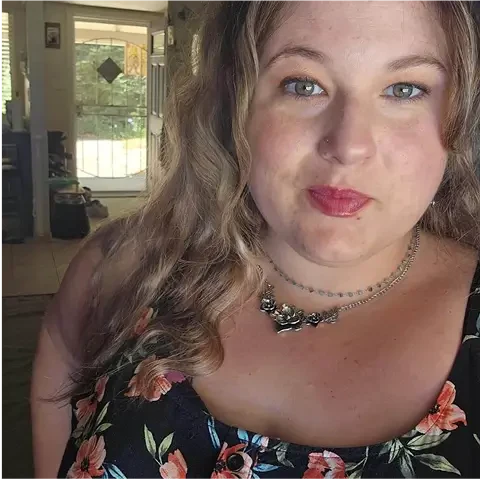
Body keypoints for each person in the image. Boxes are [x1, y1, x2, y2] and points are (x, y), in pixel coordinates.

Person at [31, 0, 480, 477]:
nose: (349, 146)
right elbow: (55, 398)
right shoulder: (121, 268)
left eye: (405, 89)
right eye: (303, 84)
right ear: (235, 103)